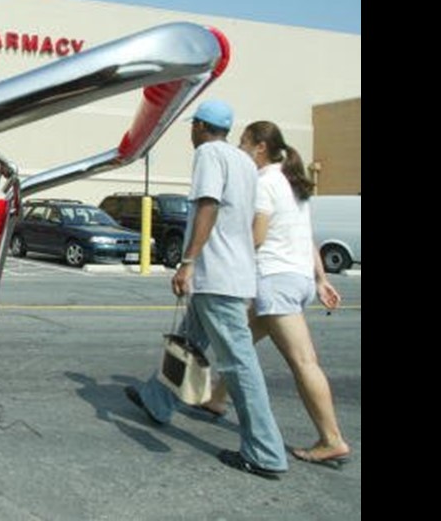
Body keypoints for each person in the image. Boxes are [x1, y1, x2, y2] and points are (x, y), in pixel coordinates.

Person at [123, 99, 289, 480]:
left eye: (192, 125)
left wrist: (188, 261)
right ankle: (157, 400)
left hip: (216, 276)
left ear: (199, 127)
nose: (191, 132)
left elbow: (208, 207)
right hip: (231, 273)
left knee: (239, 363)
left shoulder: (210, 155)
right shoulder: (243, 161)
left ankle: (264, 451)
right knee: (188, 342)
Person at [195, 120, 351, 468]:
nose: (240, 148)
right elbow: (306, 235)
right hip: (296, 280)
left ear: (260, 147)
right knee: (239, 343)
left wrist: (229, 260)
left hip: (275, 282)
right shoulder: (292, 183)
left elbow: (258, 236)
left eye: (244, 142)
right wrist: (321, 279)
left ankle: (331, 439)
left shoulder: (265, 182)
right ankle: (217, 398)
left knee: (303, 362)